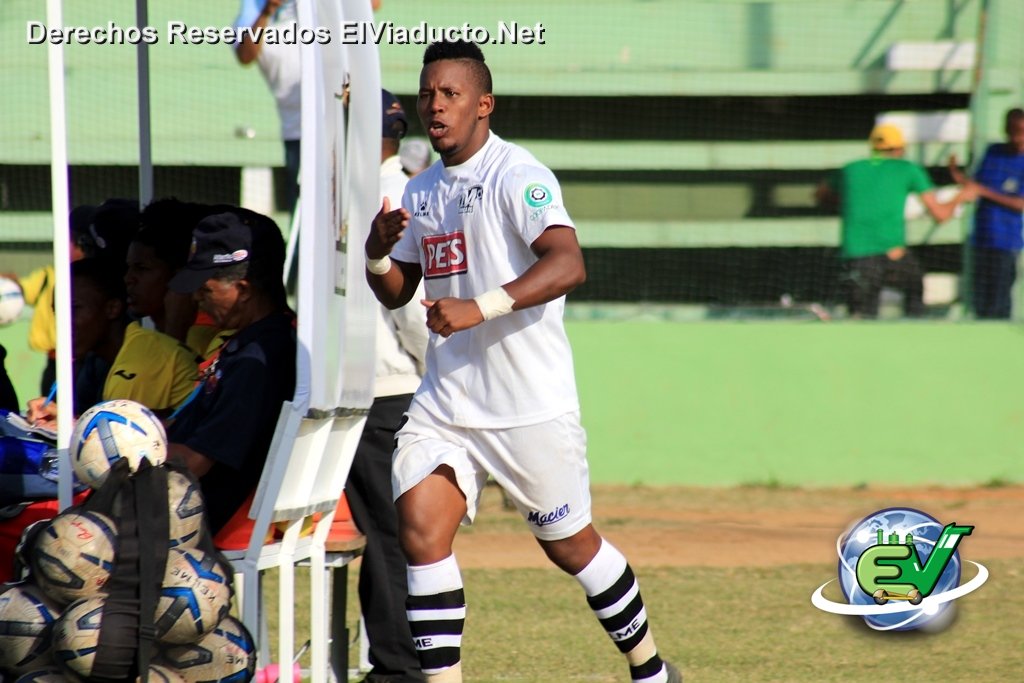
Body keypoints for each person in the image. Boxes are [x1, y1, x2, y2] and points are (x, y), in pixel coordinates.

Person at [364, 41, 681, 683]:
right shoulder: (421, 191)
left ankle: (649, 668)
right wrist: (376, 258)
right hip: (447, 402)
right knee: (421, 533)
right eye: (428, 93)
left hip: (529, 404)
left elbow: (568, 263)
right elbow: (402, 287)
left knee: (572, 550)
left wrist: (479, 307)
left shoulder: (519, 175)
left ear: (484, 105)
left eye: (450, 94)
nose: (435, 105)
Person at [342, 90, 426, 683]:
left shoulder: (396, 198)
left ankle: (399, 669)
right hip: (370, 390)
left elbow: (415, 312)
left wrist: (429, 378)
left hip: (391, 392)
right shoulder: (367, 193)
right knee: (382, 535)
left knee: (392, 537)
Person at [165, 211, 296, 540]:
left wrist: (120, 447)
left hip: (194, 517)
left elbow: (193, 463)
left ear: (243, 289)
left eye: (206, 290)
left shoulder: (258, 361)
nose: (196, 299)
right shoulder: (256, 341)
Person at [816, 123, 975, 318]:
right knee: (915, 297)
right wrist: (963, 196)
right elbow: (940, 215)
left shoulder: (850, 170)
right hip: (893, 255)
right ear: (900, 149)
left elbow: (820, 194)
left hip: (856, 258)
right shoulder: (907, 169)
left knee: (861, 320)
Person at [949, 108, 1024, 319]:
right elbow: (977, 186)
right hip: (982, 239)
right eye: (1015, 133)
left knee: (999, 303)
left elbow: (1020, 204)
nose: (1019, 139)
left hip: (1006, 243)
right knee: (980, 303)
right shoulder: (994, 152)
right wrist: (961, 179)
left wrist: (982, 191)